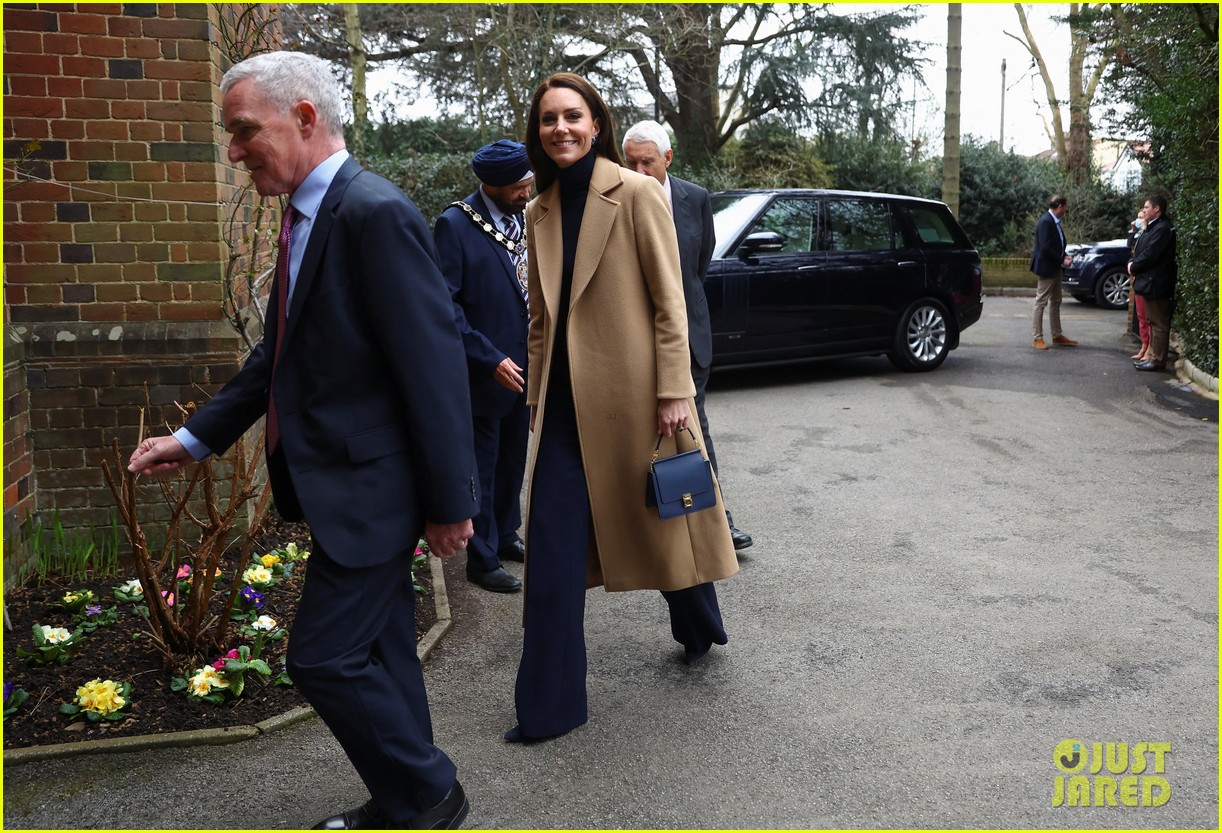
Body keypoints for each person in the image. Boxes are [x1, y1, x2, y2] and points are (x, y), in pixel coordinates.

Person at [127, 51, 476, 830]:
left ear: (306, 118)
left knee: (320, 657)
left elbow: (435, 369)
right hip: (345, 486)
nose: (233, 150)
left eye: (245, 130)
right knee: (381, 652)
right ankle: (404, 799)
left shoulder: (372, 212)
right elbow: (276, 358)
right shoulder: (308, 212)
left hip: (374, 492)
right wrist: (192, 438)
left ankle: (431, 791)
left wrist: (453, 502)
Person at [509, 72, 738, 743]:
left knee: (664, 516)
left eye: (573, 116)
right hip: (560, 410)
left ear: (596, 122)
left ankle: (698, 618)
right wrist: (534, 392)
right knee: (550, 553)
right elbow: (541, 317)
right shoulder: (539, 207)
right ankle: (549, 707)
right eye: (549, 118)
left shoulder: (636, 192)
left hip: (637, 396)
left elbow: (671, 302)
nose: (561, 129)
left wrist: (675, 389)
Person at [621, 120, 753, 552]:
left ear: (668, 158)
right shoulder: (615, 200)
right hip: (633, 344)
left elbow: (698, 268)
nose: (638, 171)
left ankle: (717, 521)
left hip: (690, 340)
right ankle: (650, 529)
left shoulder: (694, 198)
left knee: (694, 430)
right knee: (639, 435)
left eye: (647, 161)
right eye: (631, 162)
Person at [434, 141, 534, 594]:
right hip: (485, 370)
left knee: (515, 458)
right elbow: (446, 307)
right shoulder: (455, 224)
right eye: (519, 186)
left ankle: (507, 532)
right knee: (486, 467)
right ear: (492, 184)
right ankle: (483, 558)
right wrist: (489, 357)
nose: (526, 192)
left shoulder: (522, 217)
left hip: (526, 365)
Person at [1128, 195, 1177, 372]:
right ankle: (1152, 356)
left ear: (1157, 209)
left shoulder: (1163, 228)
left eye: (1147, 207)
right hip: (1151, 281)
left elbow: (1151, 254)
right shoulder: (1153, 227)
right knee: (1152, 321)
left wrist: (1134, 266)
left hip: (1157, 282)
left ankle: (1157, 359)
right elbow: (1141, 248)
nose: (1144, 210)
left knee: (1158, 323)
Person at [1029, 194, 1078, 350]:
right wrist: (1061, 259)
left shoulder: (1054, 222)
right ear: (1060, 206)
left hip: (1055, 267)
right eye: (1065, 207)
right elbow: (1045, 248)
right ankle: (1037, 338)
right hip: (1047, 267)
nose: (1066, 209)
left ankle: (1057, 336)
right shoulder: (1046, 222)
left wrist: (1063, 256)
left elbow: (1056, 245)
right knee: (1040, 302)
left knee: (1056, 301)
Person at [1127, 205, 1152, 362]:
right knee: (1141, 315)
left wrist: (1143, 229)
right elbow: (1131, 247)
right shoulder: (1140, 233)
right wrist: (1133, 231)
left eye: (1142, 216)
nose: (1139, 220)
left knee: (1149, 316)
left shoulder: (1150, 232)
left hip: (1146, 277)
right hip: (1137, 276)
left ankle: (1149, 347)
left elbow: (1146, 251)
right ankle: (1144, 344)